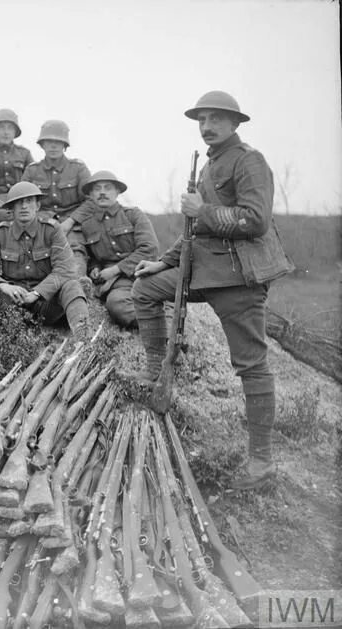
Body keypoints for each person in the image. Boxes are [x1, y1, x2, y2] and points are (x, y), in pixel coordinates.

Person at [129, 90, 293, 490]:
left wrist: (200, 209)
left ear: (235, 123)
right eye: (202, 120)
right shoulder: (209, 164)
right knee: (145, 288)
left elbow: (255, 220)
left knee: (251, 365)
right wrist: (164, 262)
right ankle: (155, 368)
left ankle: (261, 462)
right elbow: (195, 230)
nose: (207, 126)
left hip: (238, 278)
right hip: (204, 271)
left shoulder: (249, 161)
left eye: (216, 119)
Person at [0, 181, 89, 336]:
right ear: (11, 208)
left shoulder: (52, 230)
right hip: (12, 304)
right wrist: (3, 286)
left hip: (45, 303)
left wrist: (37, 293)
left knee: (72, 285)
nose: (24, 206)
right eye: (19, 203)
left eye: (29, 201)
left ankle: (83, 337)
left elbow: (65, 269)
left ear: (37, 206)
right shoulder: (0, 232)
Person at [72, 170, 158, 327]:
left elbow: (149, 249)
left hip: (142, 274)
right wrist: (95, 269)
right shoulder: (87, 225)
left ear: (117, 192)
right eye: (97, 189)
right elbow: (91, 258)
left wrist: (116, 269)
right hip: (116, 284)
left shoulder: (133, 215)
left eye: (108, 188)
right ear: (90, 194)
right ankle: (154, 324)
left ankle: (162, 324)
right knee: (117, 305)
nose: (102, 192)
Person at [22, 120, 91, 251]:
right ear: (42, 145)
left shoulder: (78, 168)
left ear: (65, 145)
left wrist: (70, 221)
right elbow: (22, 201)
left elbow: (91, 200)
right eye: (49, 142)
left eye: (58, 142)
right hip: (40, 222)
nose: (53, 146)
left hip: (73, 224)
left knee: (74, 251)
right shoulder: (32, 170)